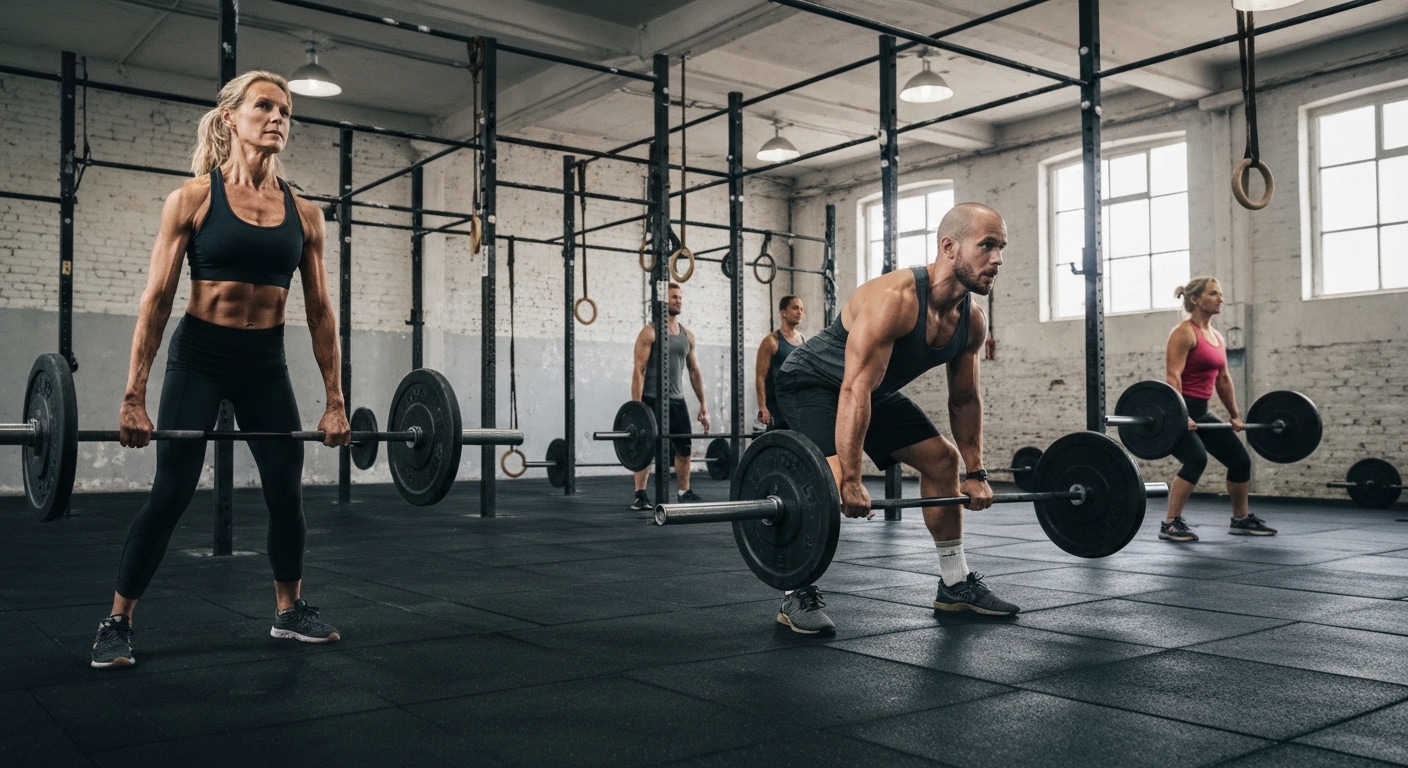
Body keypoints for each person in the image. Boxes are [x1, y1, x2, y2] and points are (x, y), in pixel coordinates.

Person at [90, 71, 349, 669]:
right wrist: (133, 396)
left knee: (285, 488)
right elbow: (156, 300)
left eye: (286, 111)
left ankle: (289, 610)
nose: (278, 118)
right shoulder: (192, 199)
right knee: (172, 491)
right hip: (201, 357)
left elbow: (319, 312)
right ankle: (117, 620)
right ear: (231, 117)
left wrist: (335, 400)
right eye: (265, 106)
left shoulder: (305, 214)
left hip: (264, 364)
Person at [773, 202, 1019, 633]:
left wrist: (976, 471)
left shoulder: (971, 321)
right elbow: (853, 389)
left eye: (1001, 247)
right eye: (987, 245)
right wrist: (851, 478)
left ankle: (955, 584)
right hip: (810, 382)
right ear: (949, 247)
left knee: (943, 460)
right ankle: (797, 590)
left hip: (871, 389)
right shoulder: (896, 298)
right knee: (830, 477)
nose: (997, 258)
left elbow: (965, 400)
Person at [1159, 277, 1273, 542]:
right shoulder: (1184, 332)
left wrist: (1234, 415)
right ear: (1195, 300)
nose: (1220, 298)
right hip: (1179, 411)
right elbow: (1173, 376)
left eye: (1220, 293)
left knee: (1240, 461)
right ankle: (1170, 524)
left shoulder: (1217, 337)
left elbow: (1223, 379)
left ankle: (1240, 519)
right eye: (1213, 293)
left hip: (1201, 411)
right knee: (1196, 459)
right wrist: (1181, 415)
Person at [630, 283, 710, 510]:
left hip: (677, 400)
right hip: (651, 399)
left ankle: (684, 492)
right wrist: (636, 408)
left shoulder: (687, 336)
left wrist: (703, 405)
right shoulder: (650, 332)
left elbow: (694, 371)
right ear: (663, 301)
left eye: (680, 297)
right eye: (674, 297)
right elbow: (639, 371)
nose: (678, 300)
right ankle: (640, 494)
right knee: (646, 448)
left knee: (684, 449)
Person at [755, 295, 805, 430]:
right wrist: (762, 407)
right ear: (783, 312)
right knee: (778, 439)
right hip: (777, 406)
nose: (799, 312)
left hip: (797, 405)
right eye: (795, 308)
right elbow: (760, 377)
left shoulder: (803, 341)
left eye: (802, 309)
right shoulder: (771, 341)